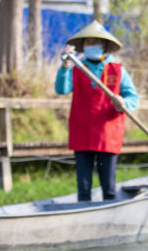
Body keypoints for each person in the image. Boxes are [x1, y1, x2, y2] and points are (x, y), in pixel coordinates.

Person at [55, 20, 139, 201]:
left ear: (104, 45)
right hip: (82, 132)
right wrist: (65, 66)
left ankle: (110, 217)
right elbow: (62, 89)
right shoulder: (76, 67)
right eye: (89, 43)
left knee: (108, 187)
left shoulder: (117, 70)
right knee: (83, 186)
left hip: (108, 133)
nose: (92, 46)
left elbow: (133, 98)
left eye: (96, 42)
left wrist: (122, 102)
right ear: (83, 47)